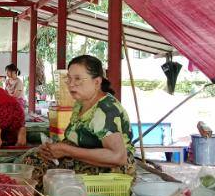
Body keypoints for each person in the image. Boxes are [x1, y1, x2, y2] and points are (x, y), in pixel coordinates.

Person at [18, 55, 135, 184]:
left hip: (110, 171)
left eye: (78, 79)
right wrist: (53, 149)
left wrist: (66, 150)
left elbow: (118, 157)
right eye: (69, 78)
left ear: (97, 82)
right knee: (33, 158)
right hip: (83, 158)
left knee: (42, 172)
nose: (71, 84)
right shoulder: (81, 103)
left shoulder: (105, 109)